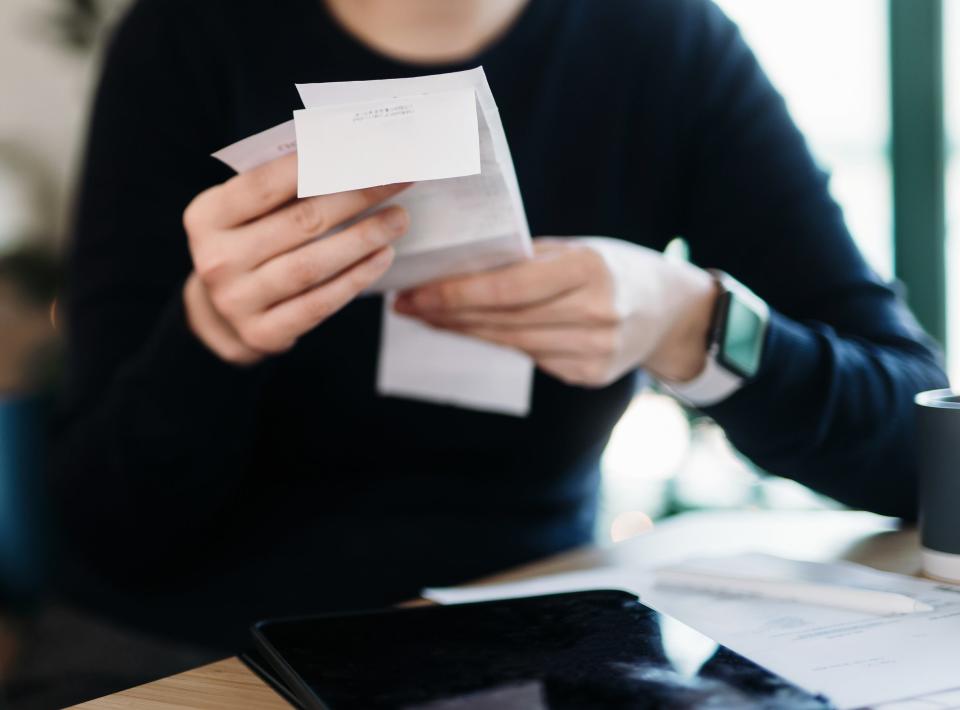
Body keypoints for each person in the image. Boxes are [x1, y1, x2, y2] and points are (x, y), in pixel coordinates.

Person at [54, 0, 948, 651]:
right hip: (204, 648)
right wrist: (212, 336)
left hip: (532, 629)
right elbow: (102, 527)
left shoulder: (665, 42)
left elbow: (923, 454)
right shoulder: (183, 38)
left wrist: (692, 323)